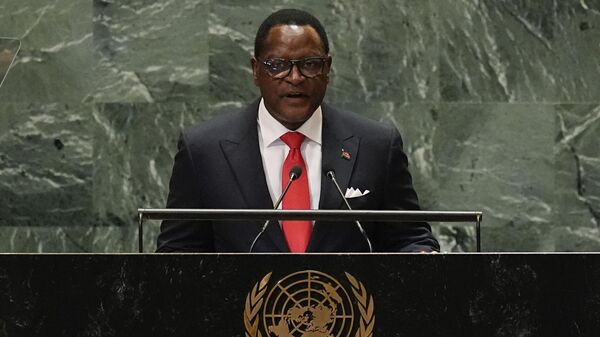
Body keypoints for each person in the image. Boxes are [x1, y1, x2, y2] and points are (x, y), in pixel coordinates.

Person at [156, 8, 439, 253]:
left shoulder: (376, 145)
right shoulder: (204, 149)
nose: (294, 78)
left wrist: (421, 255)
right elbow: (178, 251)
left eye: (310, 65)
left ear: (327, 68)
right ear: (256, 70)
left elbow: (409, 237)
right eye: (277, 66)